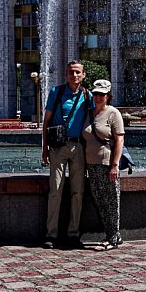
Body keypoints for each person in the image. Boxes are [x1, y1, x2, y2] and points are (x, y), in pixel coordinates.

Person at [41, 60, 92, 249]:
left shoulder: (87, 95)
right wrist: (44, 148)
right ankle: (51, 234)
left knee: (77, 192)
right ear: (66, 74)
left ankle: (73, 234)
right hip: (58, 147)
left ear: (83, 75)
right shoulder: (57, 92)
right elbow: (46, 122)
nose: (74, 75)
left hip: (79, 147)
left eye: (78, 72)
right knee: (55, 191)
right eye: (71, 72)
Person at [83, 79, 125, 250]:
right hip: (91, 165)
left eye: (101, 94)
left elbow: (119, 139)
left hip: (107, 165)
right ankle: (113, 236)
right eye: (95, 94)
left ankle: (113, 238)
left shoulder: (113, 113)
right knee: (100, 201)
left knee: (112, 201)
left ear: (108, 96)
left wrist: (114, 165)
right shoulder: (89, 113)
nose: (98, 97)